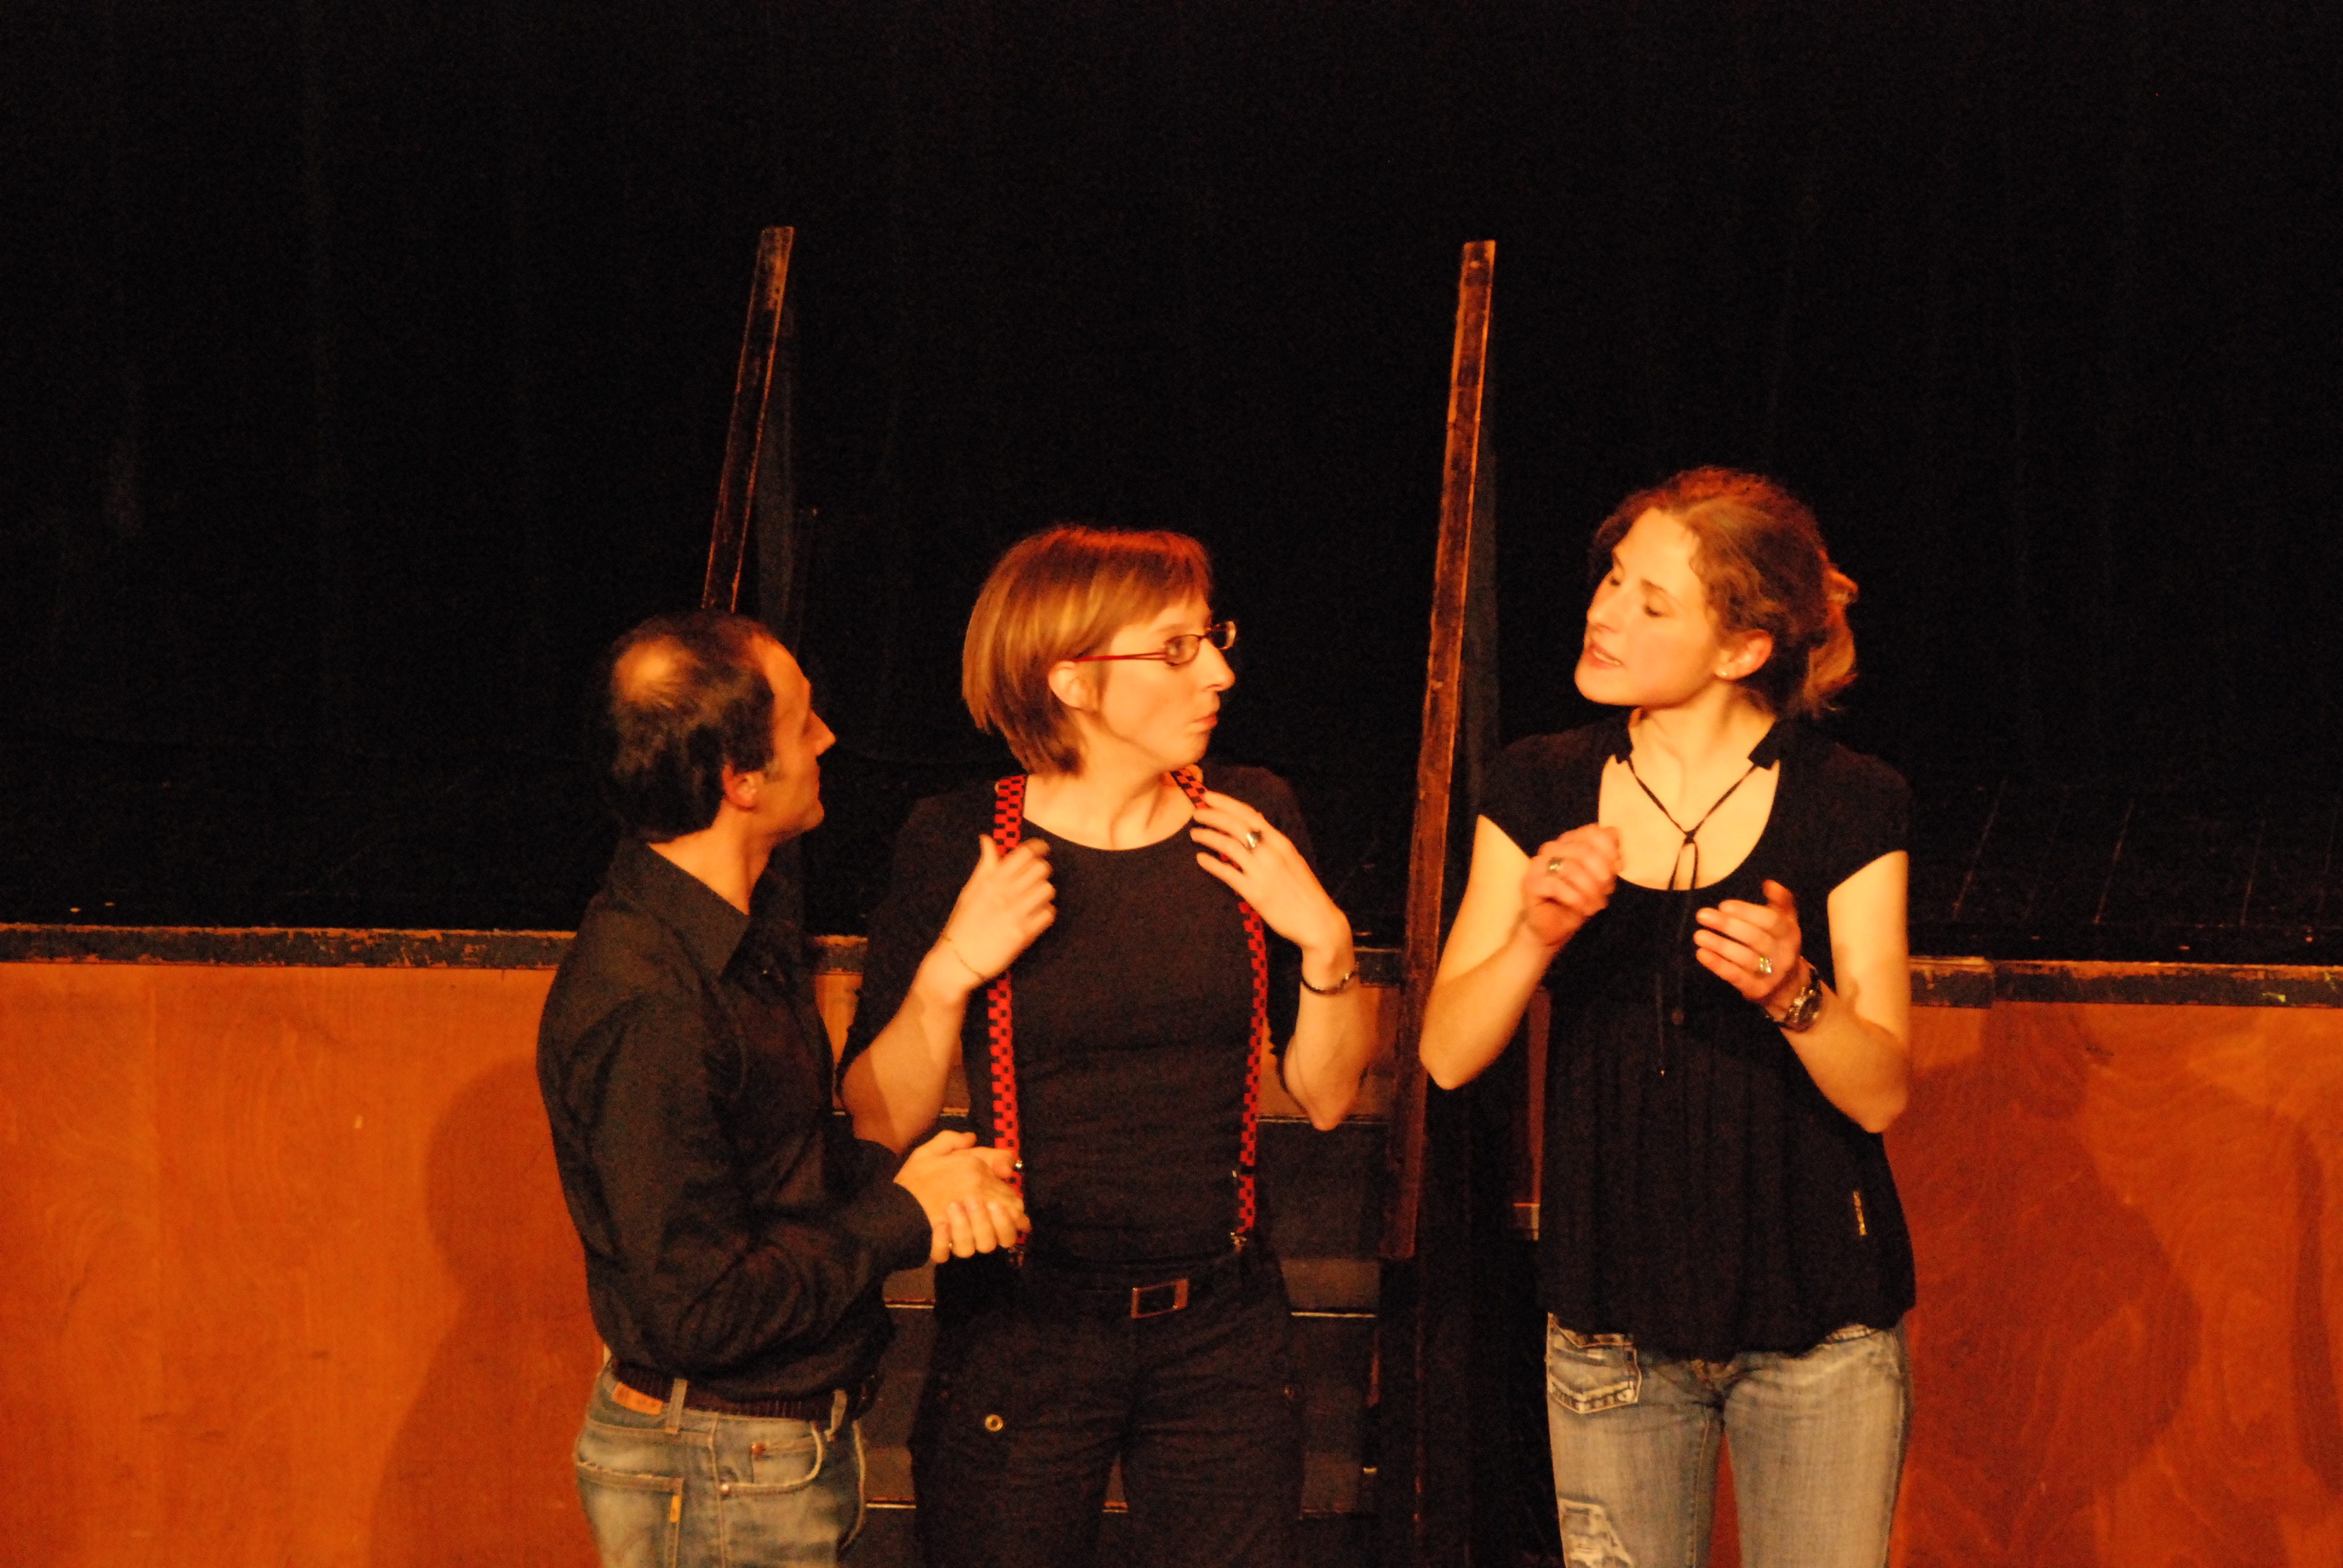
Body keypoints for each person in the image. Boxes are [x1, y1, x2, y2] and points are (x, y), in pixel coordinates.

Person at [838, 526, 1379, 1568]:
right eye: (1175, 649)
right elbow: (879, 1116)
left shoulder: (1251, 816)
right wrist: (951, 971)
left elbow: (1323, 1097)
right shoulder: (958, 838)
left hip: (1221, 1327)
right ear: (1072, 680)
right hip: (1027, 1326)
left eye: (1211, 639)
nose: (1218, 672)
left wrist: (1326, 941)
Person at [1420, 469, 1915, 1568]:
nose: (1605, 613)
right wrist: (1534, 937)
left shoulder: (1849, 798)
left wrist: (1795, 994)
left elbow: (1882, 1089)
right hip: (1613, 1334)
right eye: (1611, 580)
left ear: (1741, 650)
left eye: (1651, 602)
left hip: (1817, 1335)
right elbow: (1448, 1054)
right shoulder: (1540, 784)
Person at [537, 610, 1028, 1568]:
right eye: (804, 723)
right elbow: (700, 1308)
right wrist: (902, 1215)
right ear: (741, 779)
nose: (828, 739)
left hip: (758, 1457)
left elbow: (771, 1176)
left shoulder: (731, 937)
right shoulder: (650, 999)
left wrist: (923, 1184)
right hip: (716, 1466)